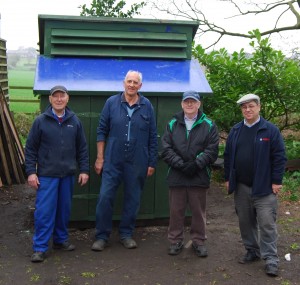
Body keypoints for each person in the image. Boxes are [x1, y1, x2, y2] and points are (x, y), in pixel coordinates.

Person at [91, 70, 158, 251]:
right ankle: (102, 236)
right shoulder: (111, 103)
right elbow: (101, 131)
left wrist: (152, 162)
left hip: (137, 160)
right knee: (105, 197)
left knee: (133, 198)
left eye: (135, 82)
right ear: (123, 83)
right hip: (112, 159)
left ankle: (126, 234)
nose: (132, 85)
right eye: (129, 81)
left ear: (140, 86)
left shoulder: (147, 105)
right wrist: (99, 158)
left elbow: (153, 136)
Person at [224, 94, 286, 277]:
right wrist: (228, 178)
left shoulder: (270, 130)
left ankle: (271, 259)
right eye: (244, 107)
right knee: (245, 221)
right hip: (242, 186)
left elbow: (279, 157)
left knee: (267, 223)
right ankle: (252, 251)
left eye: (251, 106)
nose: (247, 110)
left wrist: (277, 181)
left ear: (259, 107)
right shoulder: (236, 130)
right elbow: (228, 157)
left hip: (265, 187)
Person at [25, 85, 89, 263]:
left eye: (62, 96)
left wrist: (84, 170)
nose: (59, 99)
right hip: (47, 175)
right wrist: (31, 172)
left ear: (67, 99)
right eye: (55, 96)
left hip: (67, 174)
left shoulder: (74, 121)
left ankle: (61, 240)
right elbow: (30, 149)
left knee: (63, 210)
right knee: (44, 212)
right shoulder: (41, 121)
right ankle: (40, 247)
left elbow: (82, 149)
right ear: (50, 99)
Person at [161, 90, 219, 257]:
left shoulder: (208, 124)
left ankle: (199, 241)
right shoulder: (172, 123)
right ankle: (175, 240)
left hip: (198, 175)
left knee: (198, 212)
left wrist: (196, 164)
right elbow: (166, 148)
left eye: (193, 101)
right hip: (177, 175)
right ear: (182, 104)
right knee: (176, 211)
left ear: (199, 104)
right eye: (186, 101)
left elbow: (212, 150)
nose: (189, 104)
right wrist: (180, 164)